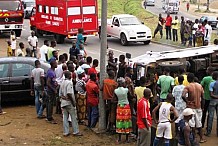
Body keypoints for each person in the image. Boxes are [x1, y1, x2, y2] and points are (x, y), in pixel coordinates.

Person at [182, 73, 206, 143]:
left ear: (188, 79)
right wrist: (202, 107)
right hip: (198, 107)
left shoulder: (188, 87)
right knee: (199, 124)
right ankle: (201, 138)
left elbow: (183, 96)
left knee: (192, 124)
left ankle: (194, 139)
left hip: (191, 107)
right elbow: (203, 98)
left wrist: (187, 101)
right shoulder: (199, 86)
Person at [59, 71, 83, 136]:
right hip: (69, 103)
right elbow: (69, 93)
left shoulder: (62, 82)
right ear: (69, 76)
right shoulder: (69, 83)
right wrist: (73, 102)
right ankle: (76, 131)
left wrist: (64, 98)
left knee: (65, 117)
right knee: (74, 117)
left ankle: (66, 132)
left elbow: (60, 94)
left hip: (63, 102)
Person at [114, 77, 132, 143]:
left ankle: (119, 139)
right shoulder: (126, 90)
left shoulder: (115, 91)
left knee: (119, 121)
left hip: (119, 107)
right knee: (127, 121)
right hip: (126, 107)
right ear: (123, 83)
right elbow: (131, 96)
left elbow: (113, 99)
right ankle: (127, 139)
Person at [205, 71, 218, 137]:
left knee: (210, 116)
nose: (212, 76)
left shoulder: (212, 84)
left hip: (213, 101)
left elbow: (211, 94)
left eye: (213, 75)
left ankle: (208, 132)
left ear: (215, 76)